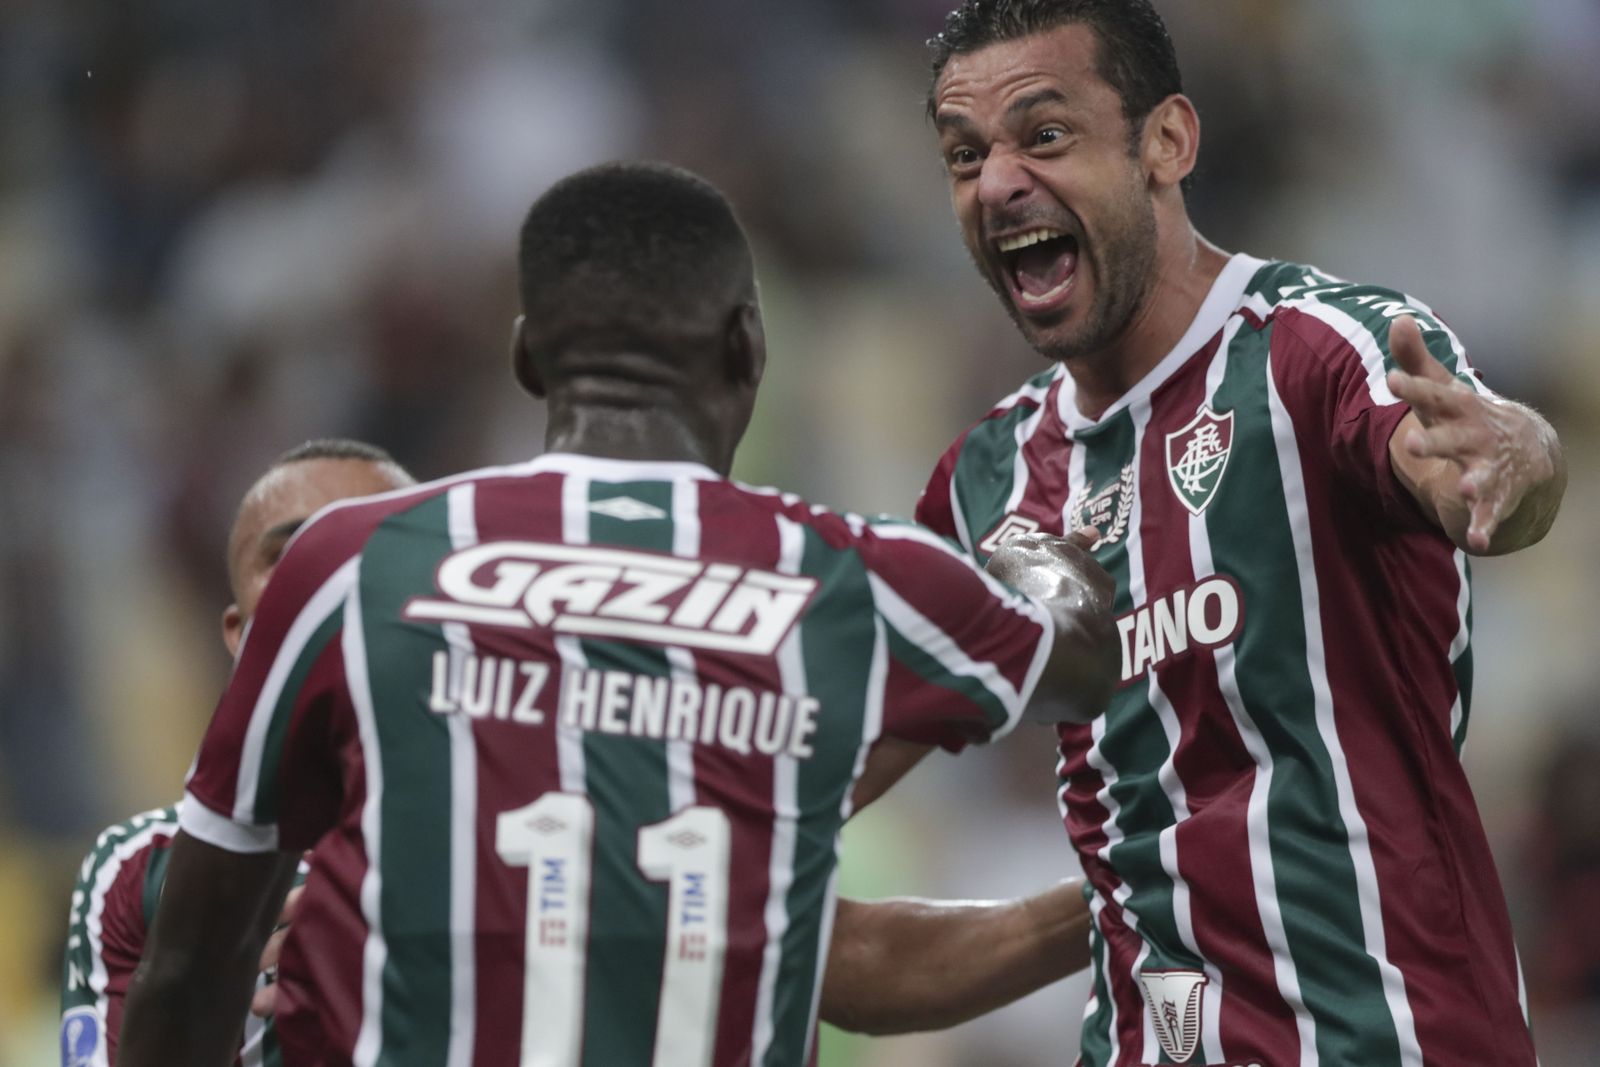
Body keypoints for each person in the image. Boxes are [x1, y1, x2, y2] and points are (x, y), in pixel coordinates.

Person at [117, 161, 1121, 1067]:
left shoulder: (347, 560)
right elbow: (1080, 648)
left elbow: (190, 964)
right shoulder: (857, 576)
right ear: (747, 350)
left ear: (526, 359)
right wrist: (1025, 548)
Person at [914, 2, 1567, 1065]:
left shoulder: (1315, 349)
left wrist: (1519, 455)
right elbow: (827, 759)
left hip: (1385, 1037)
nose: (995, 183)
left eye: (1043, 135)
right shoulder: (983, 477)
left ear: (1166, 141)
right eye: (963, 155)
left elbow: (1474, 466)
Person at [59, 440, 416, 1067]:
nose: (331, 587)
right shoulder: (139, 872)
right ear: (239, 632)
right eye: (296, 556)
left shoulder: (521, 840)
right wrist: (211, 989)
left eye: (369, 548)